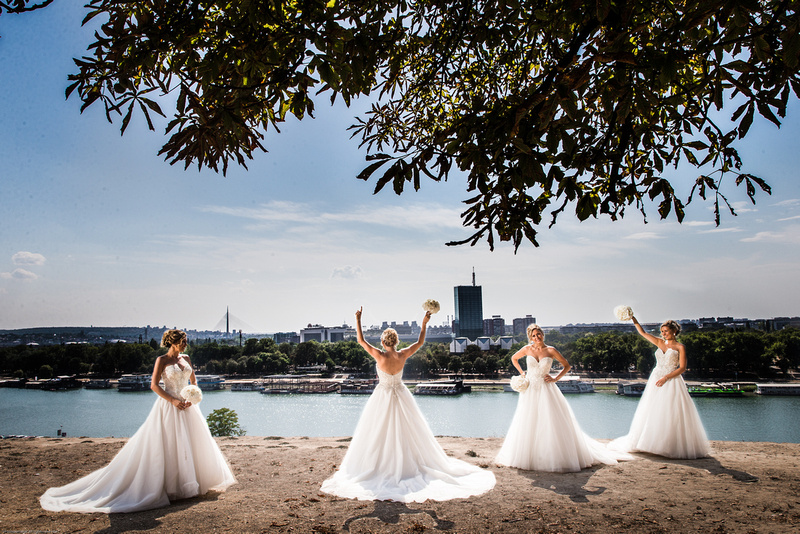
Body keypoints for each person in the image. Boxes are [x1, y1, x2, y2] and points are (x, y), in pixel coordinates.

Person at [40, 329, 236, 513]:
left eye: (186, 342)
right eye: (183, 342)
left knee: (192, 443)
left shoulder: (186, 359)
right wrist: (174, 401)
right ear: (174, 343)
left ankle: (191, 484)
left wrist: (191, 397)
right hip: (169, 406)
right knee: (169, 445)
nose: (186, 345)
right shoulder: (162, 360)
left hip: (188, 407)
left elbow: (193, 380)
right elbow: (154, 385)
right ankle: (172, 486)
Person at [320, 307, 495, 502]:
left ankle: (380, 464)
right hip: (402, 394)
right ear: (396, 341)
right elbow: (420, 342)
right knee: (409, 431)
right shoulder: (402, 355)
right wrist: (424, 322)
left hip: (383, 396)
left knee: (377, 431)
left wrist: (358, 319)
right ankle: (407, 464)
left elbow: (360, 341)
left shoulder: (379, 355)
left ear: (383, 341)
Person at [495, 324, 631, 472]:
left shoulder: (551, 350)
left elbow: (567, 366)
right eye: (533, 335)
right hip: (530, 390)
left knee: (550, 421)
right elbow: (514, 358)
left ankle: (553, 456)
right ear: (530, 337)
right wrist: (522, 373)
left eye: (539, 334)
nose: (537, 337)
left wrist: (555, 378)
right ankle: (530, 455)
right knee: (528, 420)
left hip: (546, 389)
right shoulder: (527, 349)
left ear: (543, 334)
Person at [609, 317, 710, 459]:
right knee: (652, 410)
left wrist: (666, 377)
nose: (663, 334)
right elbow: (643, 333)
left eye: (666, 331)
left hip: (671, 381)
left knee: (670, 412)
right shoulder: (659, 342)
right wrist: (633, 318)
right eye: (662, 331)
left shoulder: (680, 347)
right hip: (655, 380)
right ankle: (650, 443)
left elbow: (682, 368)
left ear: (674, 331)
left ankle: (669, 445)